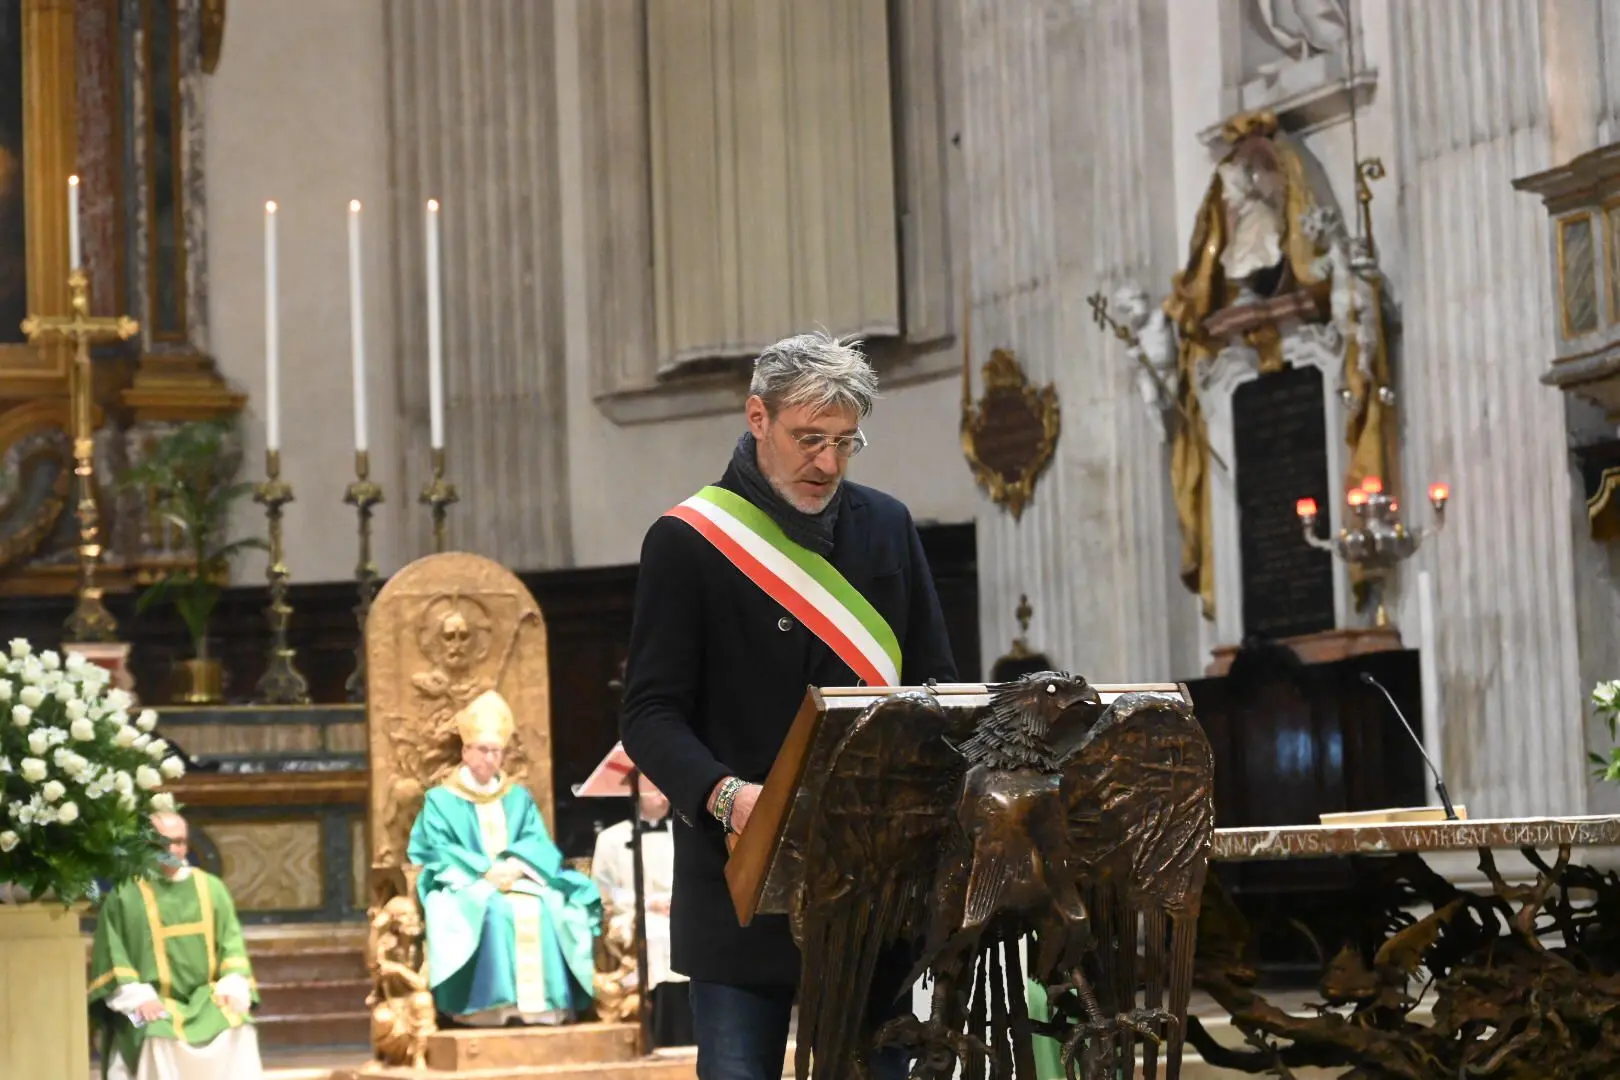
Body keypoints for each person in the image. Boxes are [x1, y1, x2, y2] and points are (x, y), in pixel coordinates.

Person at [620, 331, 958, 1080]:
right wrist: (729, 797)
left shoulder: (888, 526)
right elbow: (648, 715)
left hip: (876, 885)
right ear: (756, 417)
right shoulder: (688, 542)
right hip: (742, 878)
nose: (828, 464)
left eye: (845, 442)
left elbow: (935, 686)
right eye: (810, 439)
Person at [407, 689, 602, 1026]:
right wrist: (485, 872)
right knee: (494, 911)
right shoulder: (440, 800)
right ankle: (488, 1009)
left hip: (520, 878)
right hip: (465, 883)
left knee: (549, 907)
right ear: (466, 751)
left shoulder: (517, 797)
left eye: (497, 752)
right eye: (483, 750)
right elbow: (435, 849)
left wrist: (516, 865)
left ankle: (540, 1009)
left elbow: (538, 842)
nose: (490, 759)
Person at [88, 812, 263, 1080]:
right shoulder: (125, 895)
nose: (172, 850)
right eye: (162, 843)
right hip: (143, 1004)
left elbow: (232, 946)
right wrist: (138, 997)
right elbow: (113, 956)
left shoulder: (211, 889)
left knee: (239, 1023)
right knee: (153, 1031)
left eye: (179, 842)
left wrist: (232, 986)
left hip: (206, 999)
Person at [591, 780, 692, 1047]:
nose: (663, 796)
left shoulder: (684, 833)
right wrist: (647, 903)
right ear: (637, 793)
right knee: (657, 934)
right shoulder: (611, 838)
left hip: (679, 911)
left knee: (692, 933)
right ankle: (657, 1033)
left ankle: (691, 1032)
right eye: (656, 789)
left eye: (665, 789)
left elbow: (695, 880)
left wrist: (680, 902)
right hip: (633, 915)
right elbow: (603, 892)